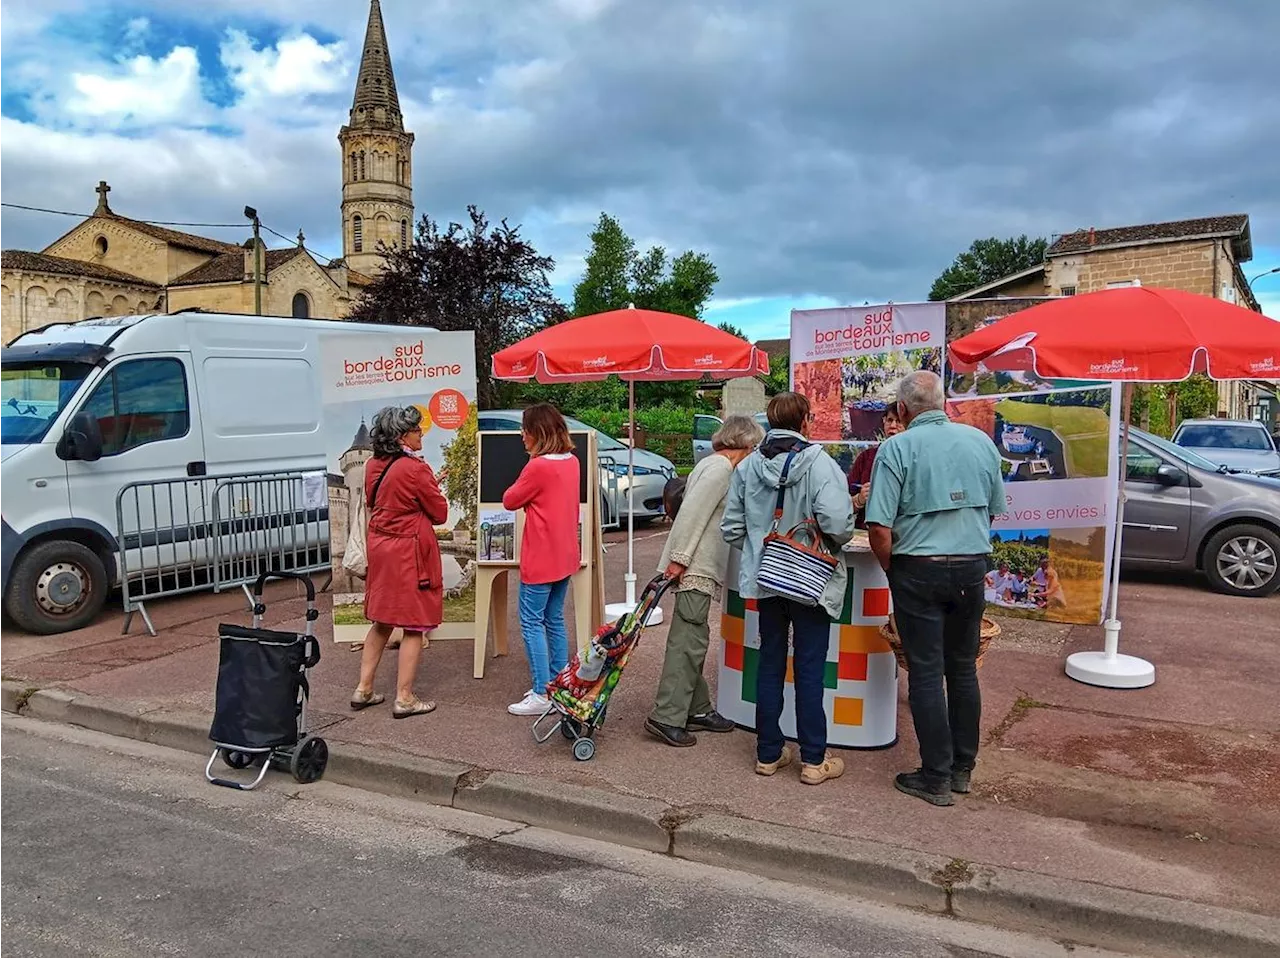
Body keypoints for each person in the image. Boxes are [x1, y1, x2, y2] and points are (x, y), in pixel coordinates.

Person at [865, 370, 1005, 806]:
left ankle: (936, 776)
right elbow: (995, 511)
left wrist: (892, 570)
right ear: (943, 403)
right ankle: (963, 769)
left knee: (926, 671)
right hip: (969, 568)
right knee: (962, 669)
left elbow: (878, 527)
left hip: (916, 568)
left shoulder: (897, 448)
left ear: (902, 410)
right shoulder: (981, 443)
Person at [722, 392, 855, 785]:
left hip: (767, 580)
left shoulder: (747, 468)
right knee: (811, 667)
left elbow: (730, 529)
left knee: (770, 662)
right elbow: (838, 525)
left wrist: (762, 546)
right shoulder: (822, 466)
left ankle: (768, 753)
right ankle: (813, 760)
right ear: (807, 421)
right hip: (812, 581)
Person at [646, 415, 765, 747]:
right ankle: (666, 715)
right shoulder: (721, 470)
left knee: (691, 638)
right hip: (695, 567)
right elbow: (692, 514)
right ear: (743, 444)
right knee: (688, 641)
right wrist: (679, 560)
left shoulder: (712, 465)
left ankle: (697, 708)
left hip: (693, 565)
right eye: (754, 446)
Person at [350, 405, 447, 719]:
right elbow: (439, 513)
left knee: (382, 621)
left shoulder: (372, 466)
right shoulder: (416, 469)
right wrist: (432, 483)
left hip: (381, 546)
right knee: (415, 624)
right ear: (403, 435)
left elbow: (377, 500)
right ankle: (404, 697)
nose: (421, 434)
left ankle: (363, 688)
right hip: (411, 551)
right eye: (417, 430)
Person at [502, 404, 582, 716]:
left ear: (537, 433)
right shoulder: (572, 462)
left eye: (525, 430)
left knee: (532, 622)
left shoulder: (537, 467)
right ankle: (559, 687)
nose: (522, 436)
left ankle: (541, 692)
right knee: (554, 619)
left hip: (540, 557)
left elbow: (510, 499)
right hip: (564, 555)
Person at [848, 405, 904, 528]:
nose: (893, 426)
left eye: (899, 421)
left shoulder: (913, 459)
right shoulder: (866, 457)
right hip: (865, 532)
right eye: (889, 420)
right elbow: (843, 503)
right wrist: (859, 499)